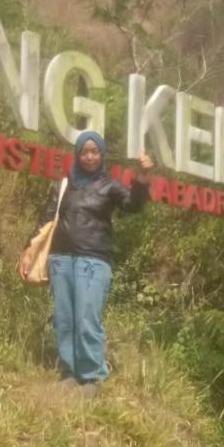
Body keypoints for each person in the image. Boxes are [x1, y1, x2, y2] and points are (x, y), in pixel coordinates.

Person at [19, 131, 153, 397]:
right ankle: (69, 372)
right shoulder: (65, 184)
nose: (89, 156)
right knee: (64, 319)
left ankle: (91, 377)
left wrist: (142, 178)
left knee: (87, 319)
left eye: (95, 151)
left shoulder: (110, 185)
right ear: (78, 155)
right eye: (84, 151)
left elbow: (134, 205)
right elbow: (47, 218)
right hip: (61, 260)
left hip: (93, 261)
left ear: (101, 155)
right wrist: (28, 249)